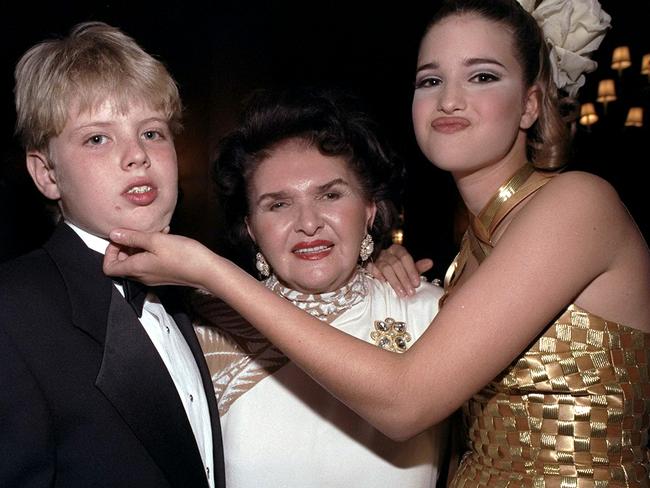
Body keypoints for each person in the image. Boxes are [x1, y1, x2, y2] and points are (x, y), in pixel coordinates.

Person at [104, 0, 650, 486]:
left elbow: (407, 400)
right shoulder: (472, 252)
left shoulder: (578, 203)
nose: (450, 101)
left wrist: (211, 270)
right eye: (430, 80)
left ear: (531, 104)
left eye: (482, 76)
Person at [0, 22, 225, 488]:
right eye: (98, 138)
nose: (136, 155)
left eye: (152, 133)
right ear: (46, 174)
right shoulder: (12, 310)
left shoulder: (190, 295)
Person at [190, 87, 447, 487]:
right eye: (278, 204)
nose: (308, 223)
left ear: (369, 211)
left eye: (329, 194)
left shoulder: (433, 315)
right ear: (251, 229)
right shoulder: (206, 336)